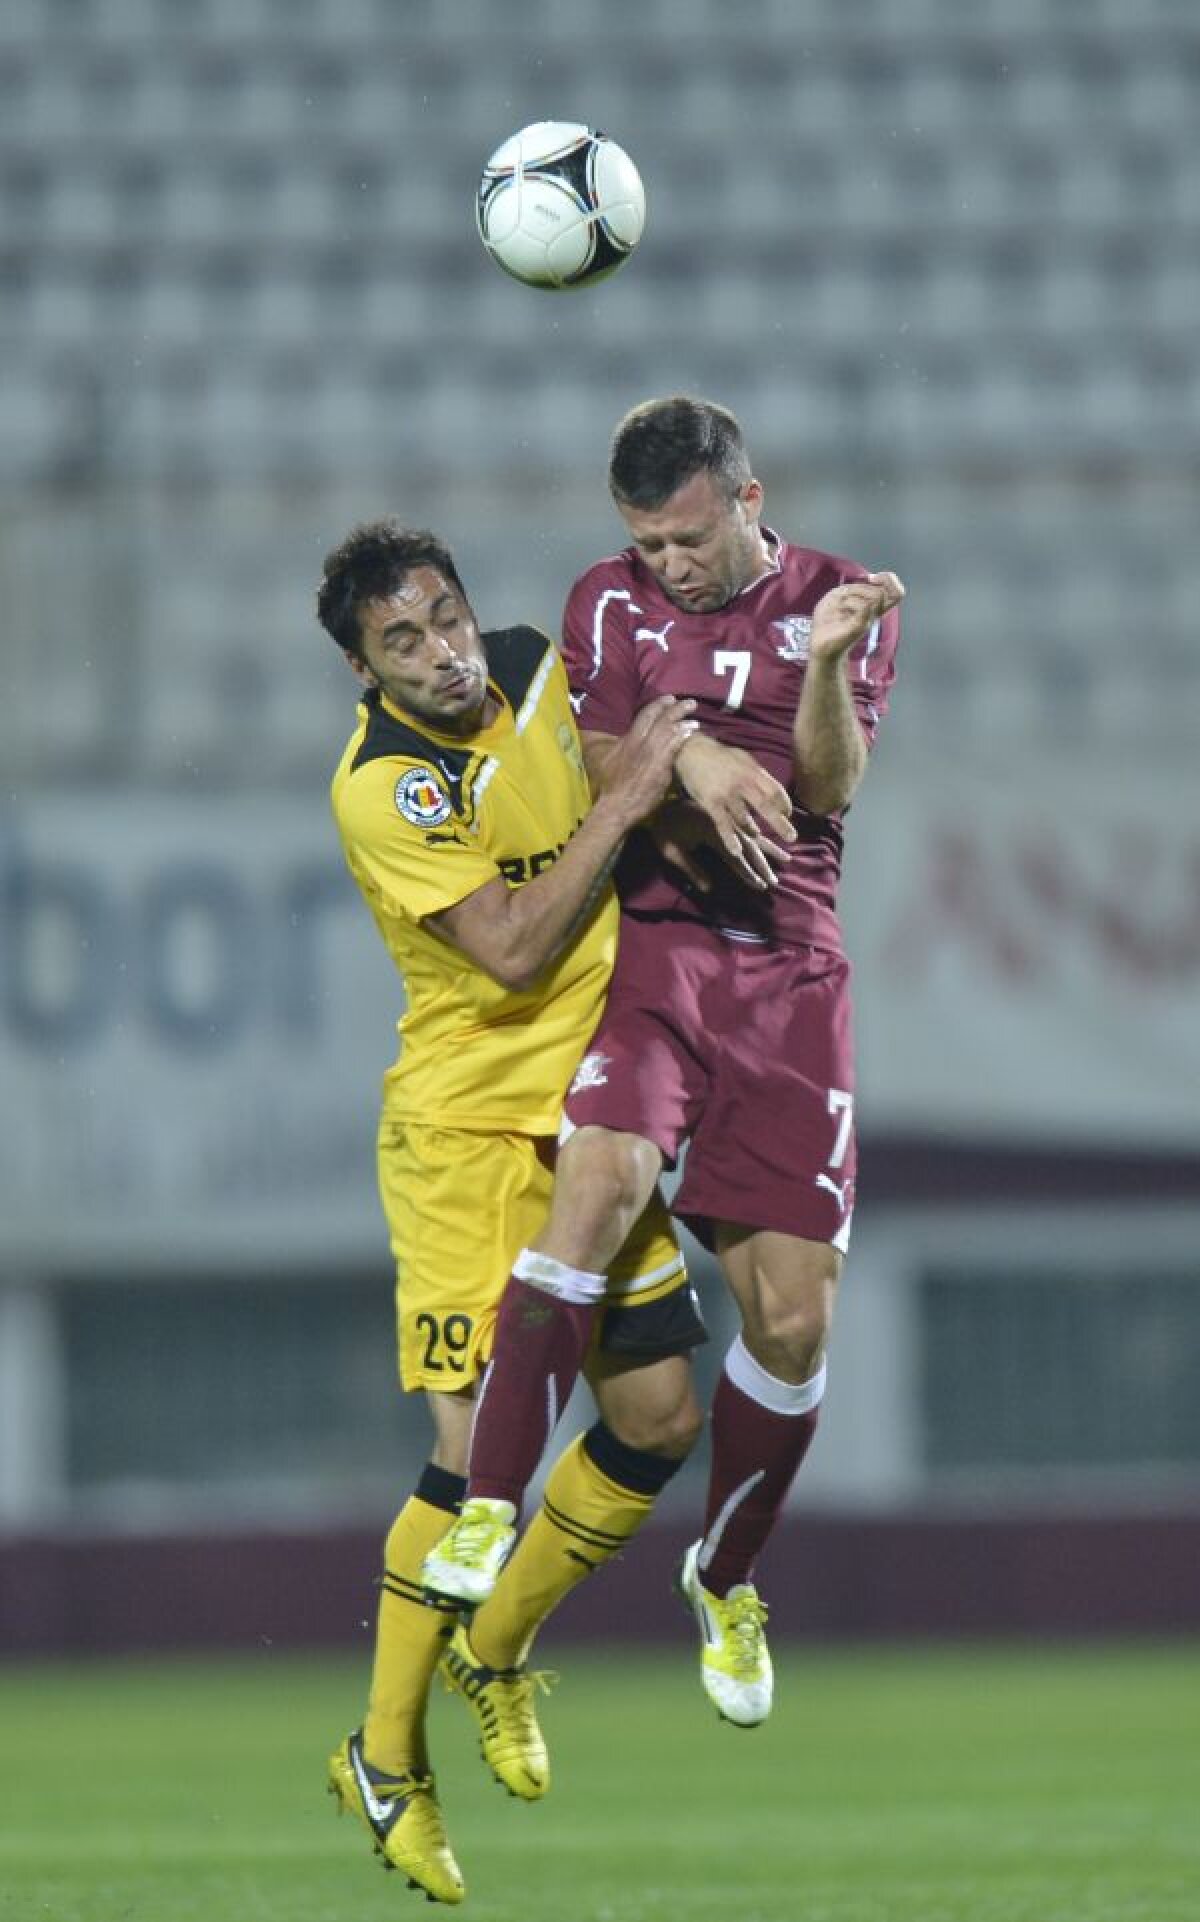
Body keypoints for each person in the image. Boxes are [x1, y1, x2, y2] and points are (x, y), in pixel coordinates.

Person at [423, 397, 904, 1732]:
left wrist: (821, 670)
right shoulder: (610, 603)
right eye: (647, 542)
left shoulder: (839, 600)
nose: (669, 565)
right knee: (599, 1177)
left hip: (789, 977)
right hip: (657, 958)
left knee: (794, 1323)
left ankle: (726, 1573)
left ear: (750, 499)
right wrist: (686, 748)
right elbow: (592, 753)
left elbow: (829, 790)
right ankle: (486, 1507)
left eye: (689, 537)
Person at [316, 520, 711, 1905]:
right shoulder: (383, 787)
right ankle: (382, 1757)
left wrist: (670, 766)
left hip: (592, 1116)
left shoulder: (535, 669)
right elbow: (511, 944)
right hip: (471, 1137)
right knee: (474, 1447)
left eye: (444, 619)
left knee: (661, 1413)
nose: (438, 655)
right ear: (365, 671)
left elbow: (612, 763)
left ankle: (494, 1649)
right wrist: (628, 800)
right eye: (400, 643)